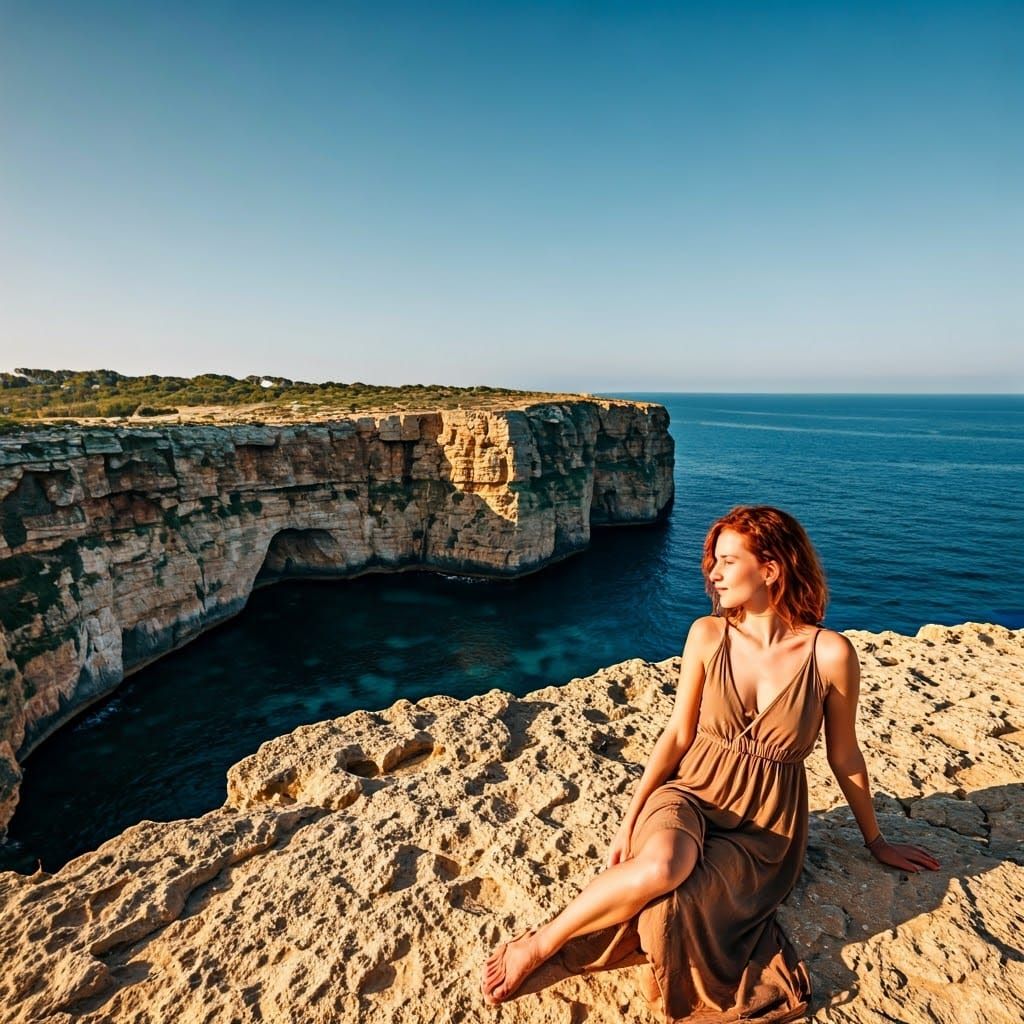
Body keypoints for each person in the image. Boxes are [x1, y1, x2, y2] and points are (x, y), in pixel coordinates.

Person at [480, 505, 940, 1021]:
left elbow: (844, 755)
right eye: (712, 561)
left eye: (726, 561)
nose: (712, 574)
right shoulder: (708, 635)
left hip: (764, 826)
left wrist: (876, 841)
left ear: (770, 569)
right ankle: (538, 945)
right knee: (660, 866)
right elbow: (676, 735)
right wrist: (630, 820)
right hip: (690, 791)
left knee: (670, 911)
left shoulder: (830, 654)